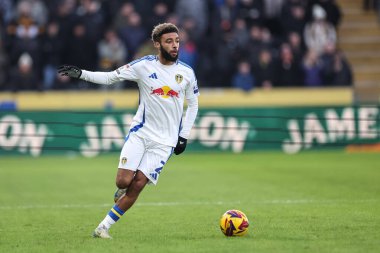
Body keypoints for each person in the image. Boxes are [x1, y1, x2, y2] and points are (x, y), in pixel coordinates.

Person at [58, 23, 199, 239]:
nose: (174, 46)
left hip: (165, 143)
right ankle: (122, 189)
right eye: (169, 41)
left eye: (177, 41)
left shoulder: (187, 73)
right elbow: (110, 77)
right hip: (141, 133)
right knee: (123, 182)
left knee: (139, 184)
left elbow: (193, 104)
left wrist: (183, 136)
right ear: (157, 44)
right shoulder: (143, 66)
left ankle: (103, 227)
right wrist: (81, 74)